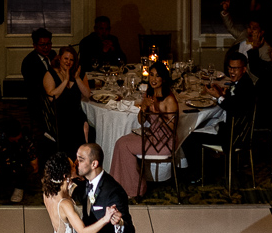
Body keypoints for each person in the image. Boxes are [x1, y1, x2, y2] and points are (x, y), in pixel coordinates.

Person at [108, 63, 178, 198]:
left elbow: (173, 128)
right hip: (152, 136)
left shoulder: (169, 99)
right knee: (120, 142)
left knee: (124, 145)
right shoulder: (149, 94)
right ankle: (120, 186)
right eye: (151, 75)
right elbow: (141, 120)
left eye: (157, 76)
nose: (153, 79)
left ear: (163, 78)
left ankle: (135, 190)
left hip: (165, 142)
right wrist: (143, 108)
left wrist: (157, 113)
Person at [184, 55, 255, 183]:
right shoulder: (242, 81)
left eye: (236, 68)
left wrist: (218, 97)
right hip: (232, 127)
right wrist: (221, 93)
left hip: (234, 135)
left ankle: (201, 174)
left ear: (244, 69)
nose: (231, 71)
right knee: (200, 125)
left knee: (188, 136)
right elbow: (234, 101)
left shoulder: (246, 86)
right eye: (230, 67)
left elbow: (234, 108)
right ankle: (208, 166)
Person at [43, 45, 91, 158]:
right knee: (74, 126)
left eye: (71, 59)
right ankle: (70, 158)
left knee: (85, 125)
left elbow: (87, 94)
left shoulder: (79, 73)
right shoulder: (50, 74)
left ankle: (81, 159)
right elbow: (51, 96)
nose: (68, 62)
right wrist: (65, 81)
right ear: (59, 58)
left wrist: (77, 79)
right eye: (66, 58)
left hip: (76, 112)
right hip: (59, 113)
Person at [21, 28, 58, 153]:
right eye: (42, 45)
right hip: (39, 101)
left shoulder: (52, 54)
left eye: (49, 44)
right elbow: (36, 88)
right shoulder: (29, 62)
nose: (46, 48)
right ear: (35, 45)